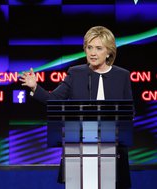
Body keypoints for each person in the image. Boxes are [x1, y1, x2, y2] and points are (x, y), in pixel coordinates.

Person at [20, 26, 132, 189]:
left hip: (112, 150)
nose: (92, 53)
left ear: (109, 52)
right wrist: (35, 88)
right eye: (89, 47)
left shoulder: (122, 75)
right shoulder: (75, 73)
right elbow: (54, 100)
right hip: (80, 148)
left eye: (98, 48)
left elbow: (128, 113)